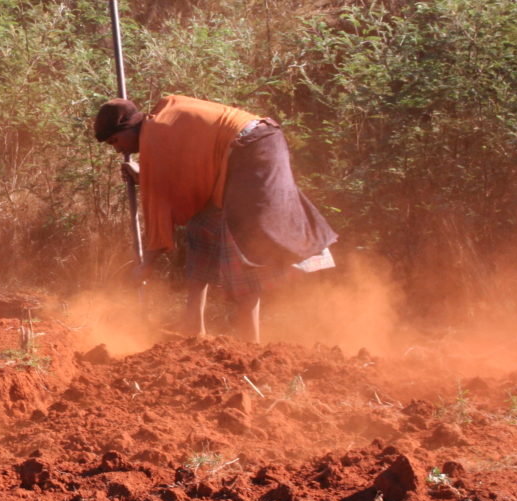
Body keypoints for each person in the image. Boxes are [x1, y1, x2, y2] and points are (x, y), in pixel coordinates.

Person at [94, 95, 337, 342]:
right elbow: (183, 184)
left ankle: (250, 345)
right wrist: (146, 176)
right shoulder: (162, 119)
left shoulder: (155, 138)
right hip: (246, 150)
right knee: (201, 225)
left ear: (130, 127)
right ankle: (193, 328)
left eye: (116, 140)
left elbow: (159, 209)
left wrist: (147, 264)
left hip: (251, 151)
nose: (118, 149)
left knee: (240, 248)